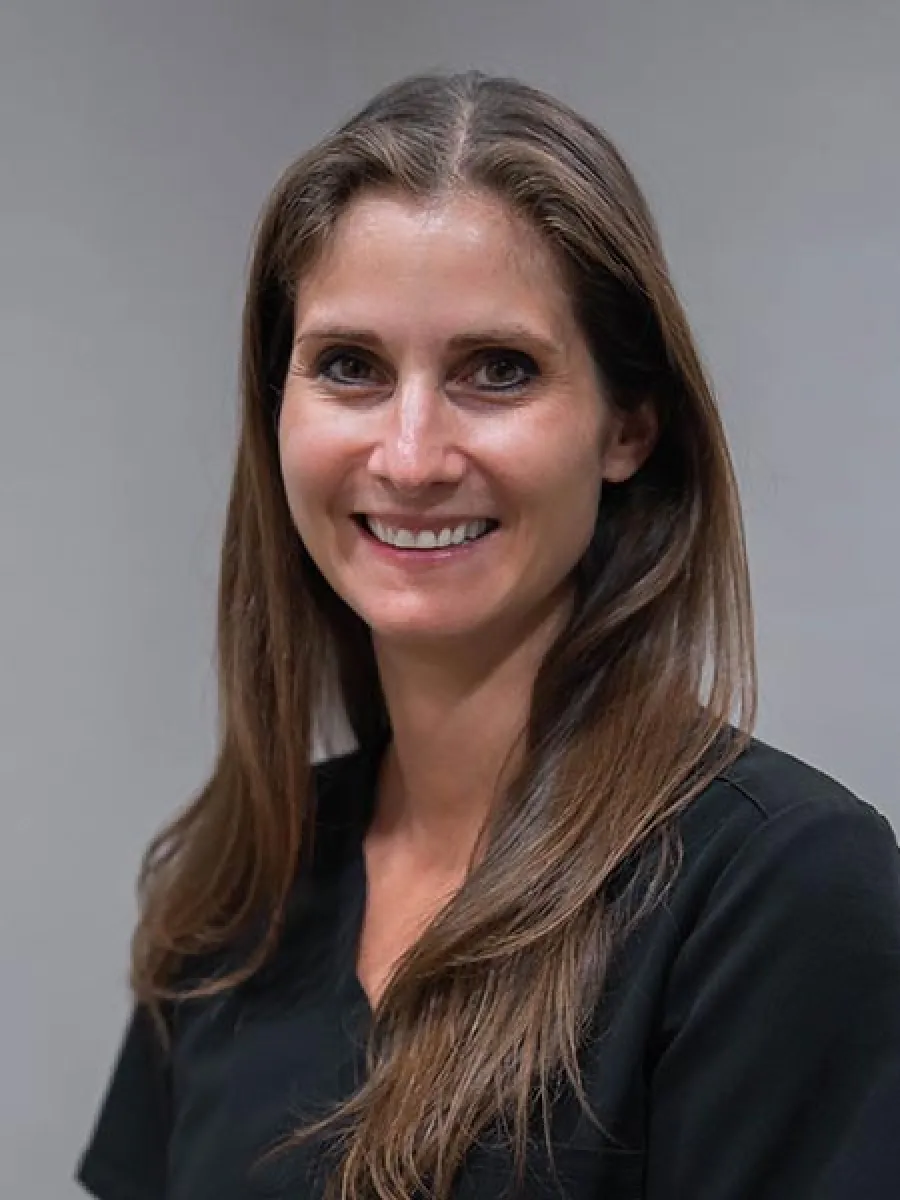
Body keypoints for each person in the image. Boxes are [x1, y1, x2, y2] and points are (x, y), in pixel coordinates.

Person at [75, 70, 900, 1200]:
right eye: (351, 367)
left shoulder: (776, 892)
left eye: (498, 371)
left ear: (628, 427)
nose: (411, 456)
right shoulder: (237, 897)